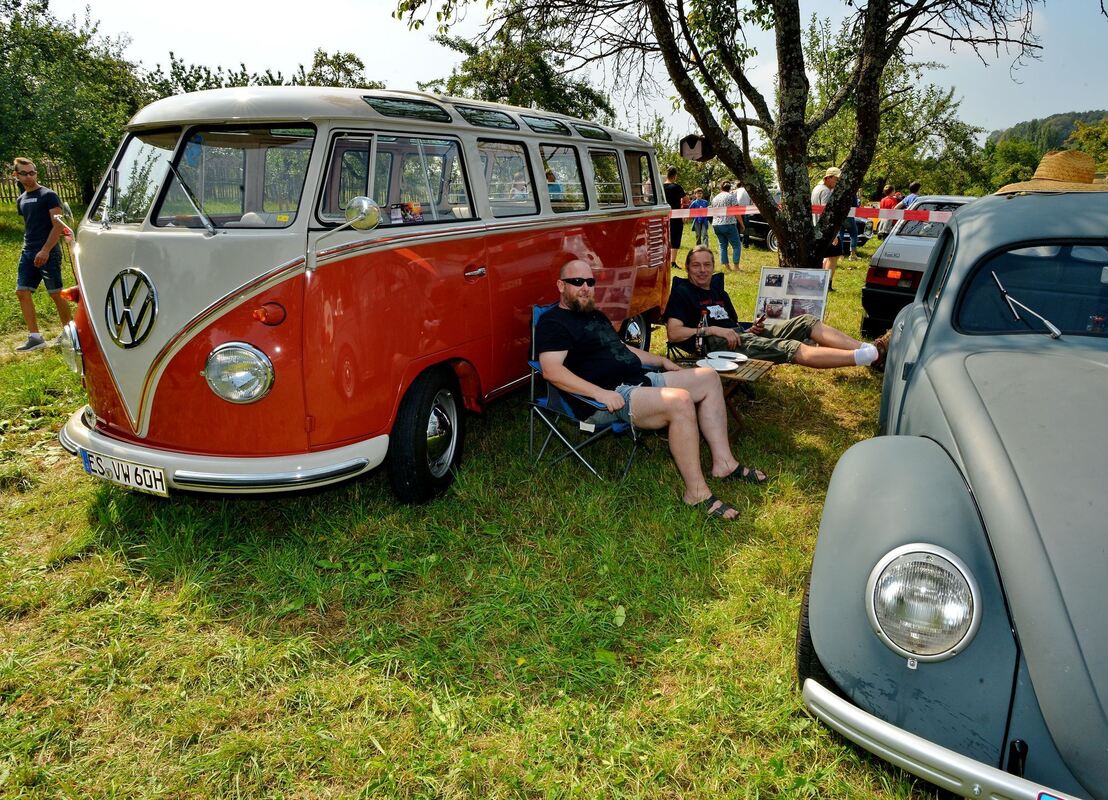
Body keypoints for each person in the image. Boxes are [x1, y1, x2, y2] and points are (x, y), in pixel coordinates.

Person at [536, 259, 768, 520]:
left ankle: (724, 463)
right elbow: (552, 370)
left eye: (590, 282)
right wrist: (599, 393)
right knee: (679, 401)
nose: (585, 288)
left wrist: (660, 361)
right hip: (610, 396)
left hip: (640, 380)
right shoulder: (553, 323)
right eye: (577, 282)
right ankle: (696, 493)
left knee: (709, 378)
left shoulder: (595, 315)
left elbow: (621, 349)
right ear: (560, 285)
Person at [664, 246, 886, 369]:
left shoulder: (718, 291)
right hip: (714, 345)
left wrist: (751, 329)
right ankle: (865, 357)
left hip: (739, 336)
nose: (702, 270)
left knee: (806, 321)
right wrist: (711, 330)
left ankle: (868, 348)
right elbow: (673, 334)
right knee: (789, 346)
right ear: (687, 268)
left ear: (713, 266)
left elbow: (732, 325)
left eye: (707, 265)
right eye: (696, 265)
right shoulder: (682, 293)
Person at [12, 157, 71, 353]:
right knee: (22, 292)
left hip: (48, 251)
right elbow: (30, 225)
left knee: (56, 293)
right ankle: (35, 338)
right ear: (16, 175)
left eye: (32, 172)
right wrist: (30, 248)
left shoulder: (49, 195)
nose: (29, 176)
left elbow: (58, 225)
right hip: (28, 251)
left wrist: (45, 250)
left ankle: (69, 334)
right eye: (24, 173)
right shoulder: (21, 199)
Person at [811, 167, 843, 287]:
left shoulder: (816, 188)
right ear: (828, 178)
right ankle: (826, 283)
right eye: (836, 179)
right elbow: (826, 212)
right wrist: (833, 234)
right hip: (826, 229)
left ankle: (822, 281)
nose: (837, 182)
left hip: (817, 227)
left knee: (826, 256)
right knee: (833, 257)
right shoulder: (826, 191)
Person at [710, 180, 745, 271]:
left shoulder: (715, 198)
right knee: (736, 245)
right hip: (728, 223)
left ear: (721, 187)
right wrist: (742, 224)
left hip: (716, 224)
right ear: (730, 188)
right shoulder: (731, 196)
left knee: (722, 245)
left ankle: (727, 267)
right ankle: (736, 267)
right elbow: (736, 211)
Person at [662, 166, 687, 270]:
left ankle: (664, 260)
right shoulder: (677, 187)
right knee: (675, 238)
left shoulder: (660, 187)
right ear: (675, 176)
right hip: (675, 216)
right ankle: (672, 261)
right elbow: (686, 200)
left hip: (663, 215)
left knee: (664, 238)